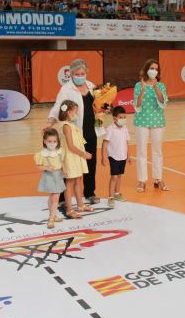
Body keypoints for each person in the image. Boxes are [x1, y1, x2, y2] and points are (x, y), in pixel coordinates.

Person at [45, 59, 100, 206]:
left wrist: (104, 108)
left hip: (91, 131)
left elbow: (98, 105)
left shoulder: (92, 86)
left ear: (86, 73)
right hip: (74, 132)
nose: (80, 76)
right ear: (71, 74)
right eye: (77, 74)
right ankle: (64, 198)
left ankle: (89, 192)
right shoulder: (66, 89)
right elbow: (58, 107)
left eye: (82, 73)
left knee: (90, 162)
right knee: (69, 164)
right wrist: (50, 122)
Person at [134, 59, 169, 192]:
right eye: (151, 68)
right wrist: (143, 90)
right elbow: (137, 105)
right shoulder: (138, 85)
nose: (153, 71)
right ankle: (142, 180)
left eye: (156, 69)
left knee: (157, 151)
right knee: (141, 151)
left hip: (157, 121)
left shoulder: (161, 85)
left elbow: (163, 102)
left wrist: (155, 87)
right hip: (141, 121)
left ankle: (158, 179)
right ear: (146, 69)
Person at [56, 100, 92, 219]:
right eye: (75, 111)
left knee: (78, 180)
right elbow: (70, 146)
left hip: (76, 156)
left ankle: (80, 205)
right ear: (68, 112)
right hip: (70, 157)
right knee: (70, 183)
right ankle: (69, 209)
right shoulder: (66, 126)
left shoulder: (71, 124)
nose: (76, 113)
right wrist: (83, 154)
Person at [34, 128, 66, 228]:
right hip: (49, 176)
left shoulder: (60, 151)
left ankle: (53, 215)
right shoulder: (41, 154)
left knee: (54, 196)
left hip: (58, 176)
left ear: (58, 141)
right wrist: (46, 167)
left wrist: (64, 169)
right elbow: (38, 166)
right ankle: (51, 218)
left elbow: (62, 162)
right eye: (49, 141)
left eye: (54, 141)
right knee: (54, 196)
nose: (52, 143)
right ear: (45, 141)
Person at [101, 106, 130, 208]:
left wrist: (128, 155)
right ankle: (110, 197)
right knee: (114, 177)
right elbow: (104, 144)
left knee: (119, 176)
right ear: (114, 118)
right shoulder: (110, 129)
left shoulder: (125, 129)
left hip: (123, 156)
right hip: (113, 156)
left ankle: (117, 194)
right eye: (121, 117)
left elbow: (127, 142)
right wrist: (104, 157)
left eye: (124, 117)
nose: (123, 119)